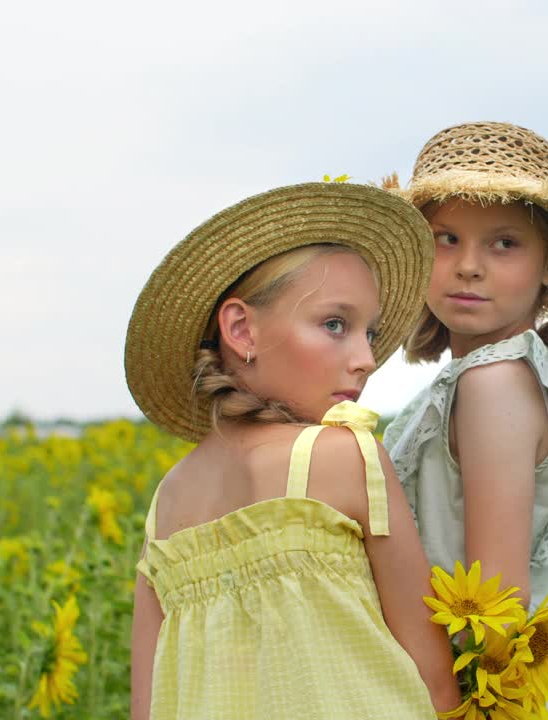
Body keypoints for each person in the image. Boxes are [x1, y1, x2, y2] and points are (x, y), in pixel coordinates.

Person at [126, 182, 460, 719]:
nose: (365, 359)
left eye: (369, 333)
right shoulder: (345, 457)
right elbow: (435, 685)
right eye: (335, 325)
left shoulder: (166, 505)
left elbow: (147, 706)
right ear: (240, 329)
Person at [383, 121, 548, 718]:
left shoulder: (493, 383)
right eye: (445, 238)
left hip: (487, 699)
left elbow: (495, 610)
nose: (469, 266)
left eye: (504, 243)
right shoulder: (515, 373)